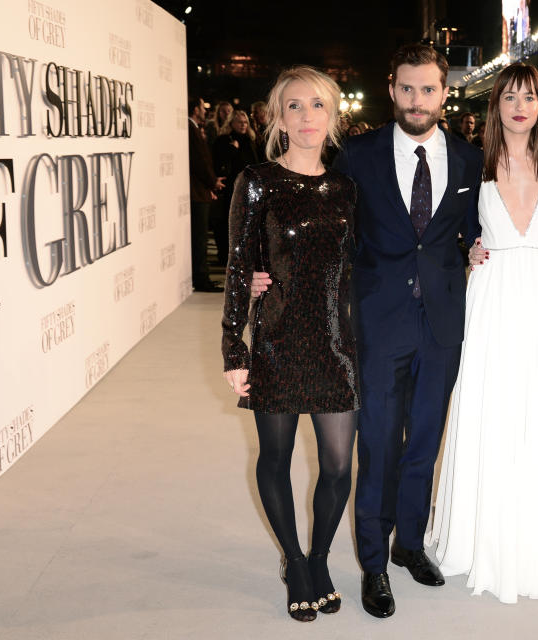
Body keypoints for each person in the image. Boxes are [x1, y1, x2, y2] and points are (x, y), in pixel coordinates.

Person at [252, 43, 482, 619]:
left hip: (442, 323)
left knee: (424, 440)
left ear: (444, 93)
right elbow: (315, 222)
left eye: (428, 89)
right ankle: (374, 563)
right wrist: (266, 272)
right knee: (377, 445)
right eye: (407, 88)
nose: (417, 100)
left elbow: (476, 226)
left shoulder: (469, 158)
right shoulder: (358, 155)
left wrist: (482, 249)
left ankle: (410, 541)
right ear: (392, 89)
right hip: (374, 324)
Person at [429, 62, 538, 604]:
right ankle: (479, 539)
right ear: (494, 105)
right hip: (492, 295)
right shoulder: (473, 163)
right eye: (510, 97)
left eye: (531, 97)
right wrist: (464, 249)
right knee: (490, 406)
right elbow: (443, 230)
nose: (521, 106)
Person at [221, 66, 359, 623]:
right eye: (295, 106)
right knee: (275, 459)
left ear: (333, 115)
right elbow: (236, 266)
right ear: (277, 116)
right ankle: (295, 562)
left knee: (338, 464)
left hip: (335, 343)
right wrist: (235, 348)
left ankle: (321, 555)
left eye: (318, 105)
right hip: (276, 338)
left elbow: (359, 265)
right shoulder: (256, 180)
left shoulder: (347, 187)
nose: (307, 117)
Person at [188, 96, 225, 292]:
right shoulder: (190, 129)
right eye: (203, 107)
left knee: (200, 237)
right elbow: (199, 161)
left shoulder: (194, 128)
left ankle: (202, 277)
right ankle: (201, 279)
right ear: (195, 109)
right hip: (197, 192)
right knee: (199, 238)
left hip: (200, 190)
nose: (205, 110)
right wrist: (212, 183)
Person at [212, 109, 259, 264]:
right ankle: (226, 255)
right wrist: (232, 149)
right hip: (231, 190)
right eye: (240, 122)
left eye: (245, 122)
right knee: (229, 222)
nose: (243, 125)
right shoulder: (224, 140)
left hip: (249, 189)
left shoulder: (250, 140)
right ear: (231, 123)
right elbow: (220, 164)